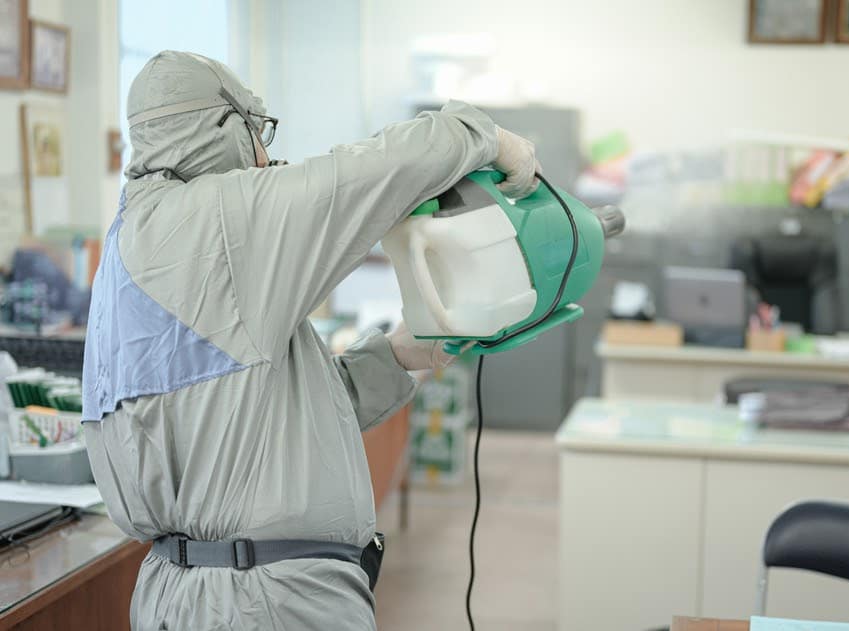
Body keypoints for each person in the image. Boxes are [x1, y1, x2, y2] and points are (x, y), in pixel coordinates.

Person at [81, 50, 541, 630]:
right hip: (266, 603)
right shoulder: (214, 222)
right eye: (260, 133)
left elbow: (252, 423)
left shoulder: (134, 243)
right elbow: (369, 171)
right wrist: (486, 136)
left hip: (190, 595)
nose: (267, 156)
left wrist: (398, 356)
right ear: (224, 128)